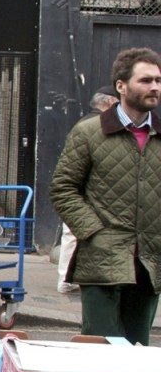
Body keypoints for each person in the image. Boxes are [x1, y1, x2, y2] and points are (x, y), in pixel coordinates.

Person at [51, 47, 161, 346]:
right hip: (102, 262)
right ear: (121, 86)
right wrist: (93, 233)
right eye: (145, 80)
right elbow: (63, 188)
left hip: (150, 264)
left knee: (138, 354)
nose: (154, 87)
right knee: (98, 354)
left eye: (158, 80)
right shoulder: (89, 132)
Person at [56, 85, 120, 295]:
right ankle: (66, 279)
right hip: (84, 190)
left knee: (73, 234)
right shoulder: (96, 125)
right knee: (73, 234)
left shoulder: (84, 122)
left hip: (80, 189)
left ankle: (67, 278)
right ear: (110, 102)